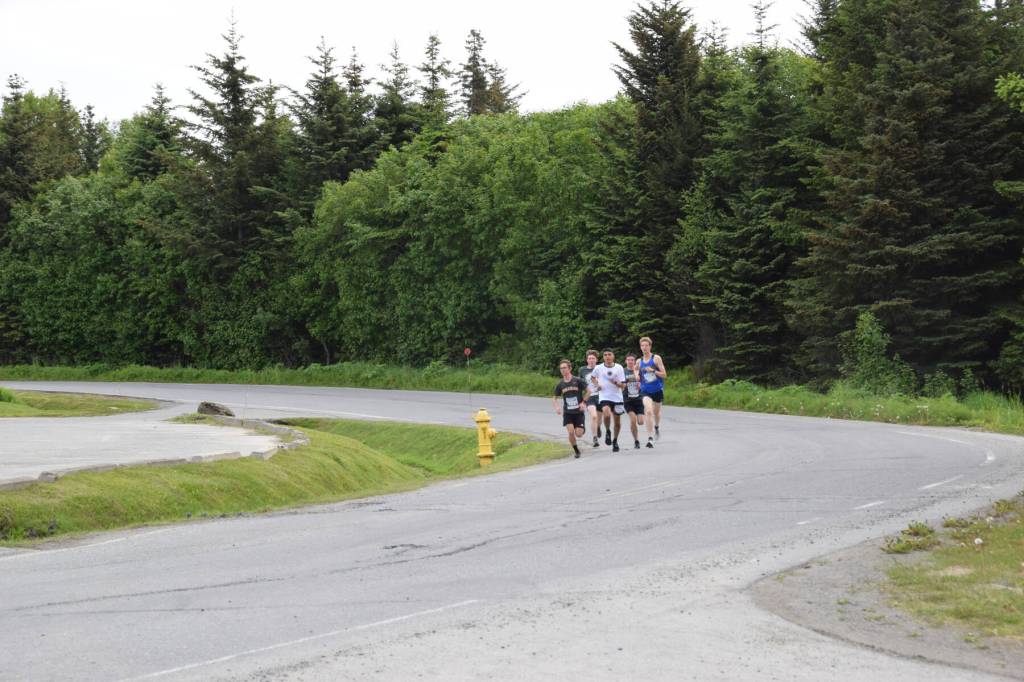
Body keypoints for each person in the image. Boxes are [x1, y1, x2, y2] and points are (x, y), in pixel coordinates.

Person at [592, 348, 625, 452]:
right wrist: (597, 385)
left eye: (609, 354)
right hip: (604, 396)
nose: (607, 357)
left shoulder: (619, 368)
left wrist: (617, 383)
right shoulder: (598, 368)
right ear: (603, 357)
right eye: (605, 355)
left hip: (617, 397)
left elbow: (623, 386)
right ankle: (607, 431)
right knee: (606, 414)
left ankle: (615, 441)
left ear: (613, 356)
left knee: (617, 422)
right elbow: (593, 377)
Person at [553, 359, 588, 458]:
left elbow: (589, 391)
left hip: (578, 412)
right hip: (568, 412)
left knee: (579, 434)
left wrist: (583, 402)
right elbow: (554, 397)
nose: (563, 370)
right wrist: (557, 407)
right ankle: (576, 451)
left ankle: (581, 428)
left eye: (564, 368)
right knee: (571, 432)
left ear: (570, 368)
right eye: (561, 368)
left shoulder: (577, 381)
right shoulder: (560, 384)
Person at [638, 336, 667, 448]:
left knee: (656, 412)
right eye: (642, 346)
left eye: (646, 345)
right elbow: (636, 371)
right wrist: (636, 376)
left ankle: (656, 427)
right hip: (645, 391)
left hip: (658, 390)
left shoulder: (656, 358)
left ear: (650, 346)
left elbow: (664, 375)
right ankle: (650, 438)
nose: (644, 347)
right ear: (640, 347)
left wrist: (653, 370)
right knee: (648, 411)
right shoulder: (639, 361)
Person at [579, 349, 602, 447]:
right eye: (589, 358)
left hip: (601, 396)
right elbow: (579, 384)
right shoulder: (582, 370)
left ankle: (598, 427)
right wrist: (581, 399)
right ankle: (595, 438)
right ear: (587, 360)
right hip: (590, 397)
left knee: (599, 419)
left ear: (596, 360)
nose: (591, 360)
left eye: (593, 358)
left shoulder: (601, 368)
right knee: (593, 416)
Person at [623, 353, 646, 449]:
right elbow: (619, 383)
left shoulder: (639, 370)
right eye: (628, 360)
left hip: (639, 399)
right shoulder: (622, 371)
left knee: (640, 422)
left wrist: (641, 384)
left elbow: (645, 380)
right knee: (633, 420)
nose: (630, 361)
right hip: (628, 400)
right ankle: (636, 440)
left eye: (632, 360)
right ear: (626, 361)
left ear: (634, 361)